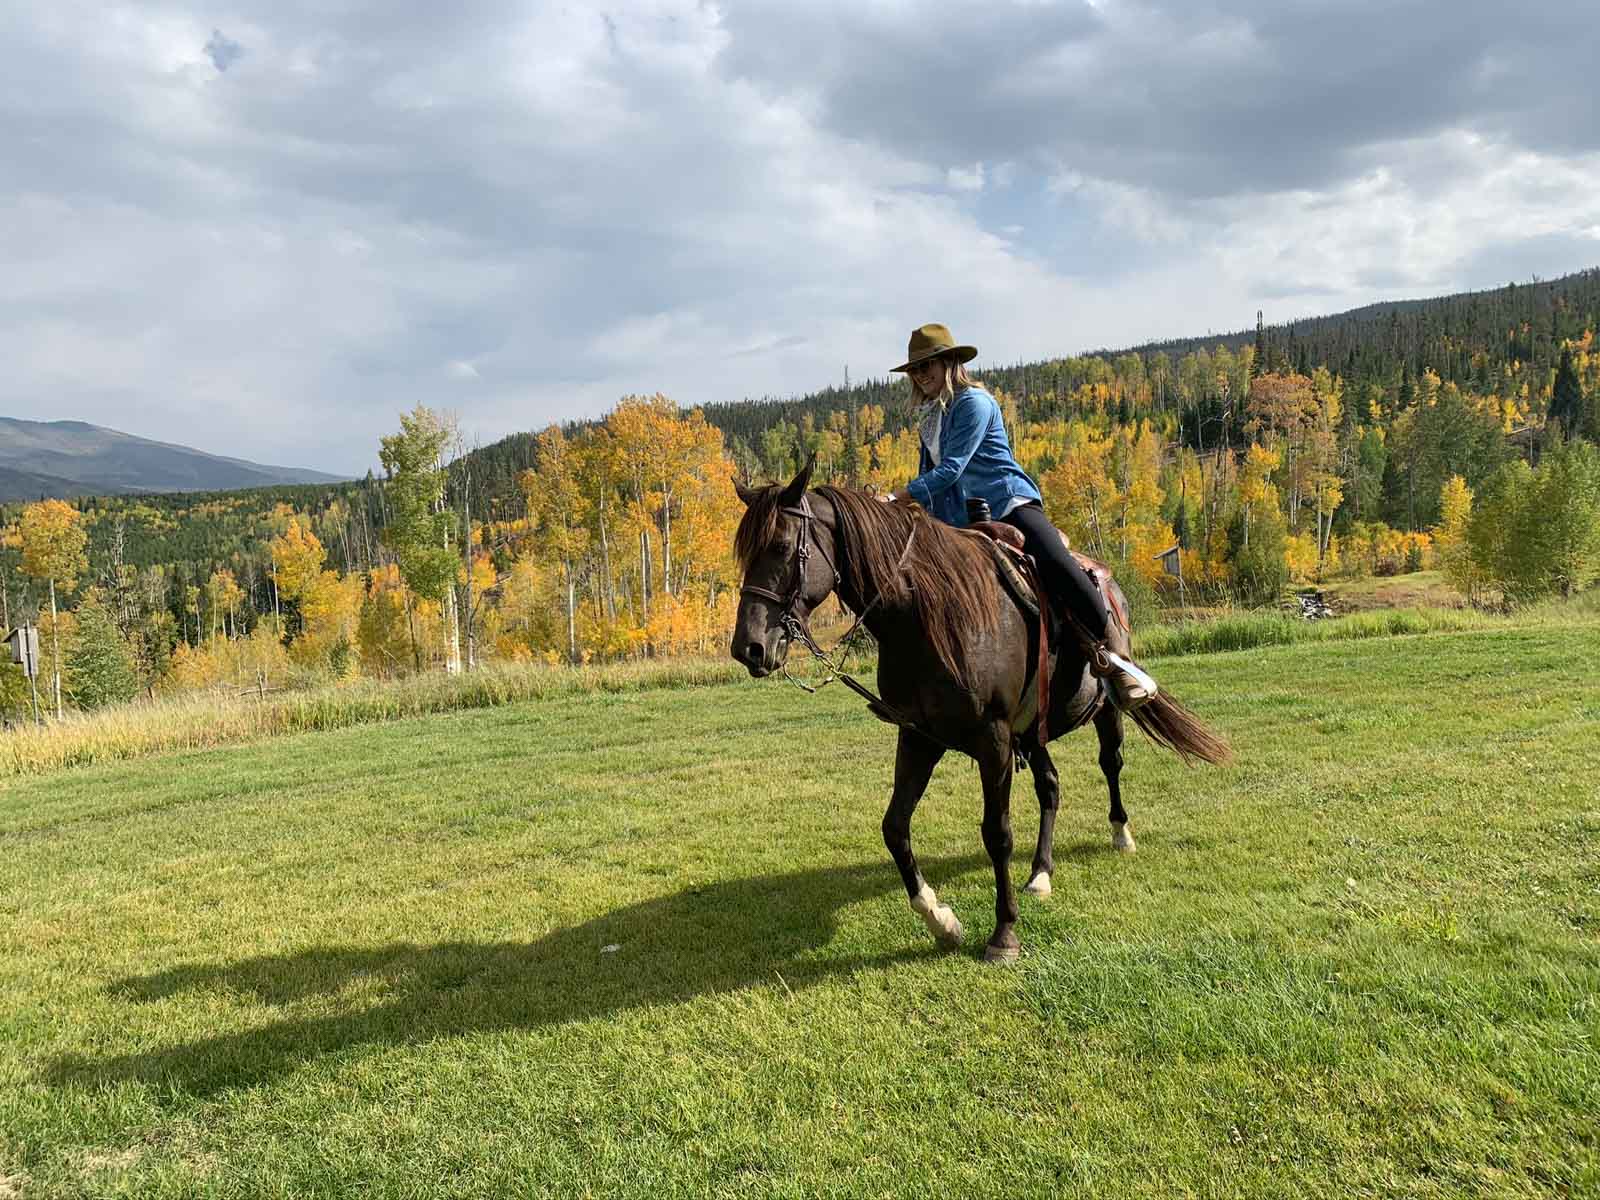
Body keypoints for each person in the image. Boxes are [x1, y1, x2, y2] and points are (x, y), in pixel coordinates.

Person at [879, 323, 1159, 711]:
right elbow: (933, 478)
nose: (921, 374)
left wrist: (895, 495)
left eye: (929, 365)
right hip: (957, 519)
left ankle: (1116, 657)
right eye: (915, 369)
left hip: (1007, 502)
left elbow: (953, 469)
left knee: (1057, 563)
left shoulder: (973, 403)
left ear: (950, 363)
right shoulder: (930, 416)